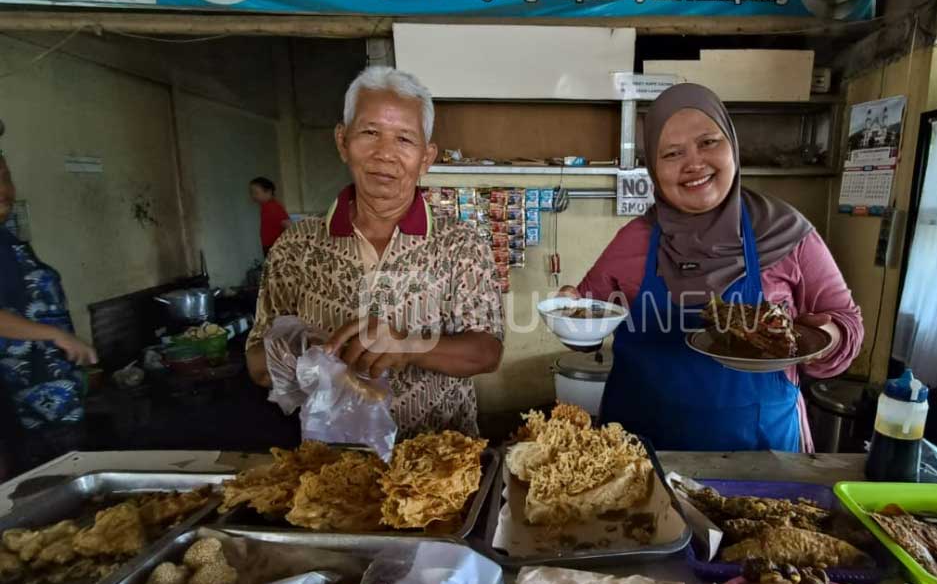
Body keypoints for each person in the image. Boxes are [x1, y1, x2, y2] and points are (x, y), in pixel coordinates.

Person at [562, 83, 863, 452]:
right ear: (653, 170)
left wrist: (824, 338)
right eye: (672, 153)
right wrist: (569, 315)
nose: (694, 163)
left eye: (708, 142)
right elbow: (586, 318)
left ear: (733, 146)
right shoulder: (634, 240)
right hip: (641, 452)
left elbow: (846, 323)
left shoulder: (788, 233)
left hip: (760, 452)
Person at [245, 67, 504, 439]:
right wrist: (313, 351)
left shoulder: (460, 244)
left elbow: (486, 353)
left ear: (426, 157)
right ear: (342, 141)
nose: (385, 154)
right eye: (369, 133)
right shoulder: (296, 247)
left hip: (441, 466)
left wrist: (410, 345)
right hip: (332, 469)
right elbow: (256, 364)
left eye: (404, 139)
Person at [0, 152, 98, 475]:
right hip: (25, 404)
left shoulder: (8, 240)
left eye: (6, 178)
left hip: (55, 391)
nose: (4, 189)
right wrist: (56, 335)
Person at [249, 177, 291, 255]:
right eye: (251, 193)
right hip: (271, 246)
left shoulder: (272, 207)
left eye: (256, 193)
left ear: (268, 192)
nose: (253, 196)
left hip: (275, 247)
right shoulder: (266, 206)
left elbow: (289, 226)